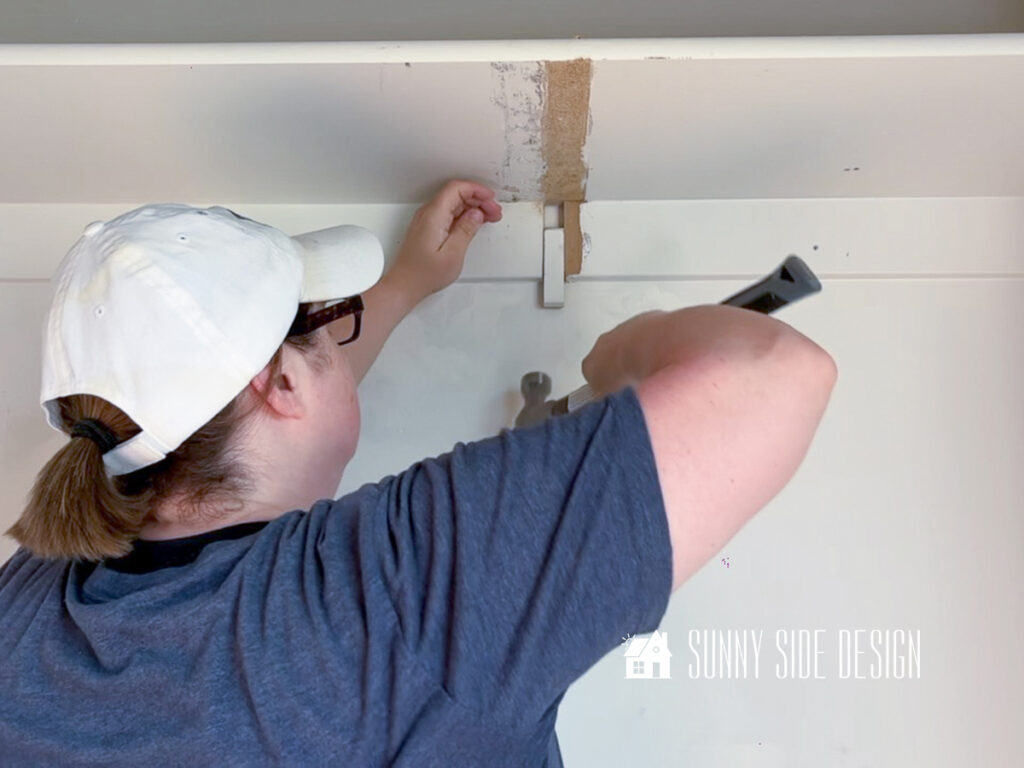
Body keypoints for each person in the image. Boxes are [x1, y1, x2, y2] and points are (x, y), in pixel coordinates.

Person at [0, 178, 837, 766]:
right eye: (325, 323)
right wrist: (624, 353)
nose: (338, 336)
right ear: (282, 383)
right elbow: (772, 375)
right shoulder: (389, 598)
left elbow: (251, 420)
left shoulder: (30, 610)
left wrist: (404, 286)